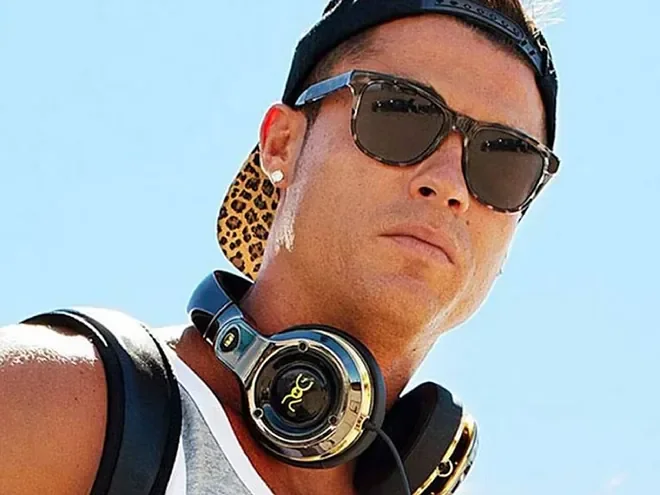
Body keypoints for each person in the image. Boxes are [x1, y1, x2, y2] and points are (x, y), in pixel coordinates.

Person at [0, 0, 560, 494]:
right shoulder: (56, 403)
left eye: (505, 159)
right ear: (282, 143)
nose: (449, 183)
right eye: (400, 111)